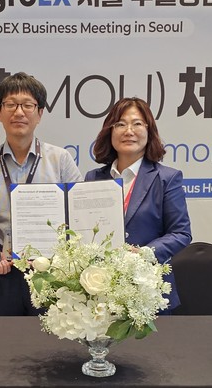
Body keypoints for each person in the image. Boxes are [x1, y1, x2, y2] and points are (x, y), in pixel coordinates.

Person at [0, 72, 83, 316]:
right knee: (5, 337)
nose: (19, 112)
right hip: (3, 273)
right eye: (10, 104)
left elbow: (79, 217)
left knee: (51, 338)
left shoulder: (60, 160)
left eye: (27, 105)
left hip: (52, 273)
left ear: (39, 113)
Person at [85, 97, 192, 313]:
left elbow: (181, 233)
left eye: (137, 124)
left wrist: (143, 254)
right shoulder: (93, 178)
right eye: (120, 124)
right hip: (101, 291)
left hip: (148, 291)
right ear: (109, 131)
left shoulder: (166, 178)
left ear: (149, 131)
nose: (129, 131)